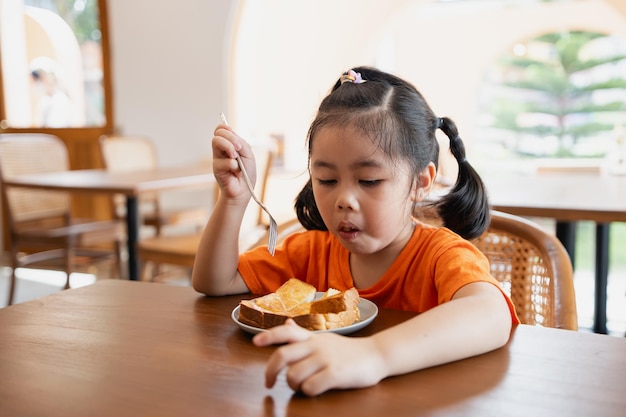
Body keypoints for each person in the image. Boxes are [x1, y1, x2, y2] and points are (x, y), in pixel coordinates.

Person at [192, 66, 519, 396]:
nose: (344, 200)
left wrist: (374, 355)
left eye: (369, 181)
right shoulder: (310, 253)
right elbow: (216, 281)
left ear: (421, 182)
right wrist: (234, 200)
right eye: (327, 181)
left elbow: (491, 314)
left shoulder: (440, 255)